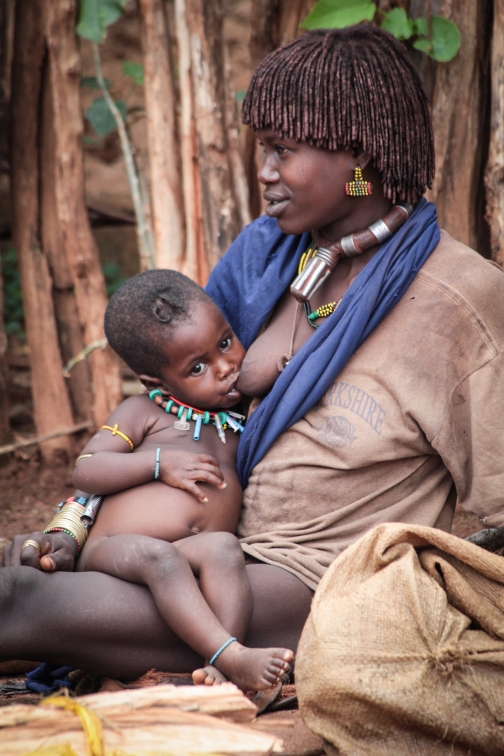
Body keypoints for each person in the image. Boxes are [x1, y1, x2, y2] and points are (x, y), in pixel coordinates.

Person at [2, 25, 504, 682]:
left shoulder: (457, 301)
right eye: (261, 150)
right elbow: (162, 425)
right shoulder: (266, 261)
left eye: (281, 151)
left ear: (356, 154)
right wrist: (69, 529)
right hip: (192, 555)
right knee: (20, 582)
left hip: (305, 587)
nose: (262, 173)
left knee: (15, 604)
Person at [71, 269, 292, 690]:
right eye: (197, 368)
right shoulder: (144, 412)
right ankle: (231, 655)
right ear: (157, 382)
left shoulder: (240, 414)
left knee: (225, 549)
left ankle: (226, 657)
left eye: (226, 342)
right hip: (114, 549)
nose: (225, 367)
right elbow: (87, 469)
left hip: (190, 549)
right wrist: (158, 463)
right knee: (161, 558)